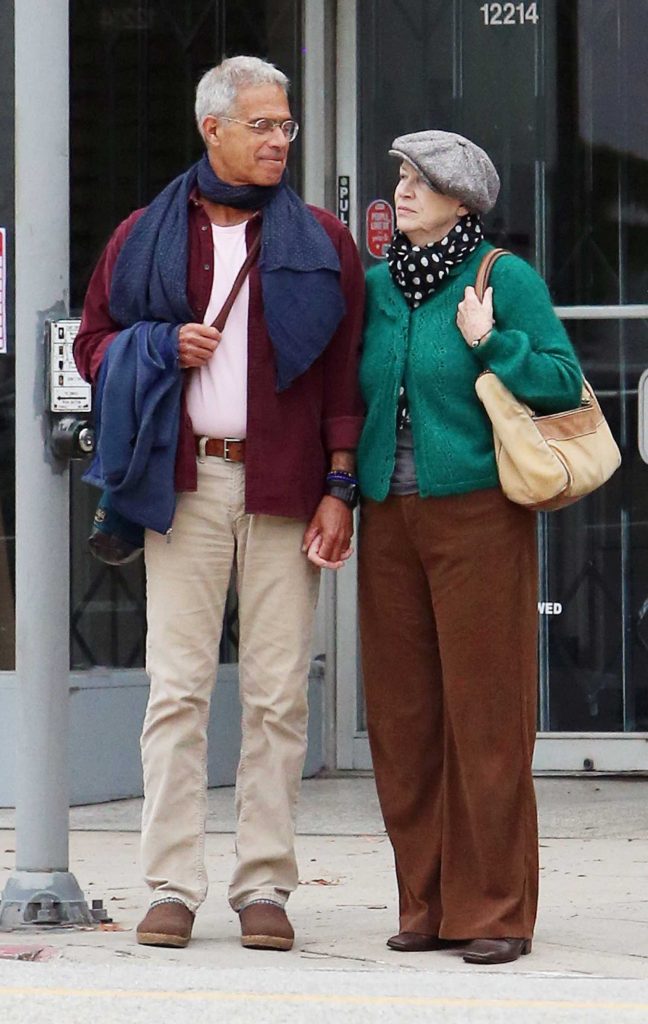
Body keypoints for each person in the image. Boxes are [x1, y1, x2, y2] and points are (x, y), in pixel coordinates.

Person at [74, 55, 364, 952]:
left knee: (279, 697)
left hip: (287, 487)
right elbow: (93, 347)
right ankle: (169, 883)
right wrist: (161, 344)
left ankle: (265, 887)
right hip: (186, 483)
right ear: (214, 130)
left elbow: (344, 373)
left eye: (287, 126)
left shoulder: (324, 239)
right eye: (263, 125)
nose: (280, 139)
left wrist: (340, 486)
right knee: (178, 691)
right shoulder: (144, 235)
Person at [356, 130, 583, 965]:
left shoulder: (502, 277)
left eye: (421, 180)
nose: (403, 190)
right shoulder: (379, 286)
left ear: (463, 201)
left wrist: (493, 341)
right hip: (388, 516)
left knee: (486, 717)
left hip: (479, 516)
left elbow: (562, 380)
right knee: (404, 717)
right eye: (402, 177)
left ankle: (492, 911)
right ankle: (424, 901)